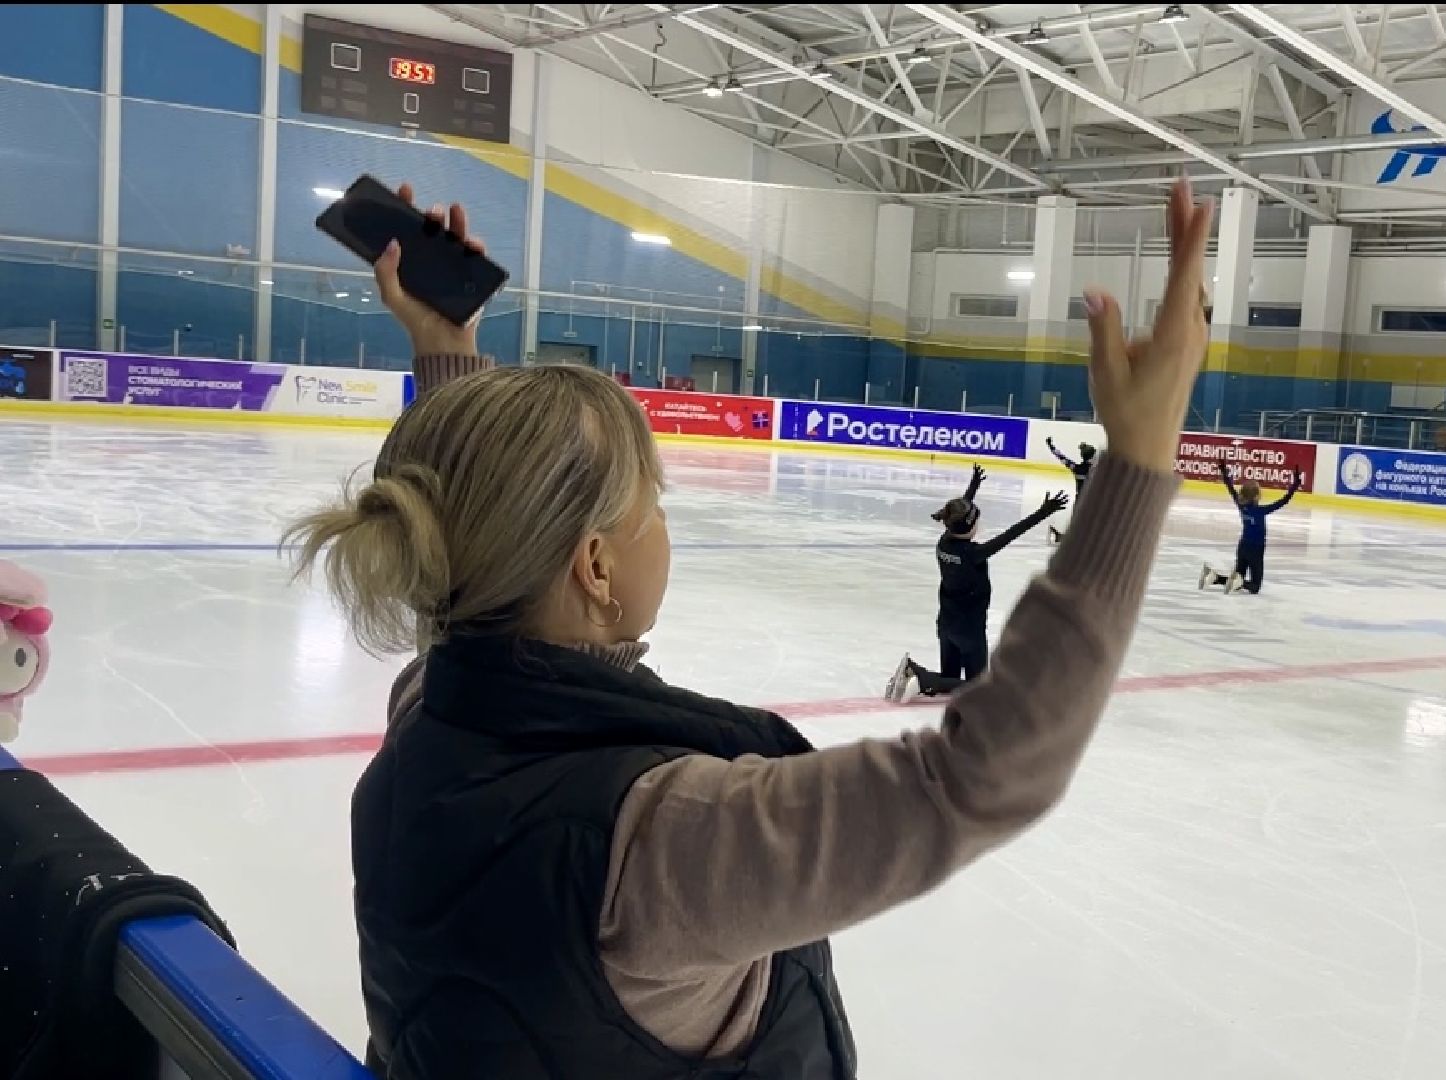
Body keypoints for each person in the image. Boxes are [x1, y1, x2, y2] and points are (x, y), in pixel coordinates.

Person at [284, 177, 1214, 1077]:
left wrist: (447, 352)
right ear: (595, 565)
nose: (666, 527)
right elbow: (980, 779)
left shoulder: (432, 717)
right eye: (655, 504)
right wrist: (1136, 461)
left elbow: (451, 575)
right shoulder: (661, 842)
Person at [887, 471, 1069, 700]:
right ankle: (921, 678)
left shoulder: (944, 542)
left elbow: (957, 513)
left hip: (946, 624)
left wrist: (973, 486)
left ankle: (920, 677)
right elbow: (1010, 534)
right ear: (970, 525)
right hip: (970, 631)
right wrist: (1043, 512)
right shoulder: (974, 553)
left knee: (951, 679)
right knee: (980, 687)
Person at [1198, 464, 1299, 595]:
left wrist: (1224, 474)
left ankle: (1213, 577)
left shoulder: (1241, 505)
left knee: (1237, 577)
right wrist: (1295, 484)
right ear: (1256, 496)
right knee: (1255, 586)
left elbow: (1231, 489)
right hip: (1255, 549)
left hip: (1243, 546)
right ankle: (1236, 582)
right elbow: (1284, 501)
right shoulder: (1260, 511)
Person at [1045, 439, 1096, 543]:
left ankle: (1065, 538)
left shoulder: (1077, 468)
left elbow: (1063, 459)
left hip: (1080, 499)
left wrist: (1052, 447)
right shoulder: (1097, 469)